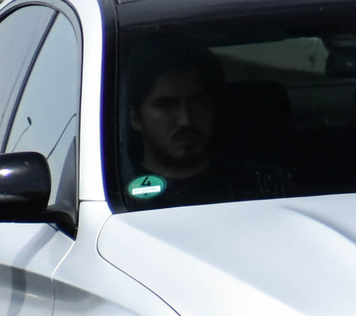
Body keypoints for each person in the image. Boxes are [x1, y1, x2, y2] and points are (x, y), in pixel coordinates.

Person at [121, 57, 289, 206]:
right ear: (135, 117)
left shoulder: (261, 184)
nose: (185, 120)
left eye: (198, 102)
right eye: (166, 105)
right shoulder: (114, 194)